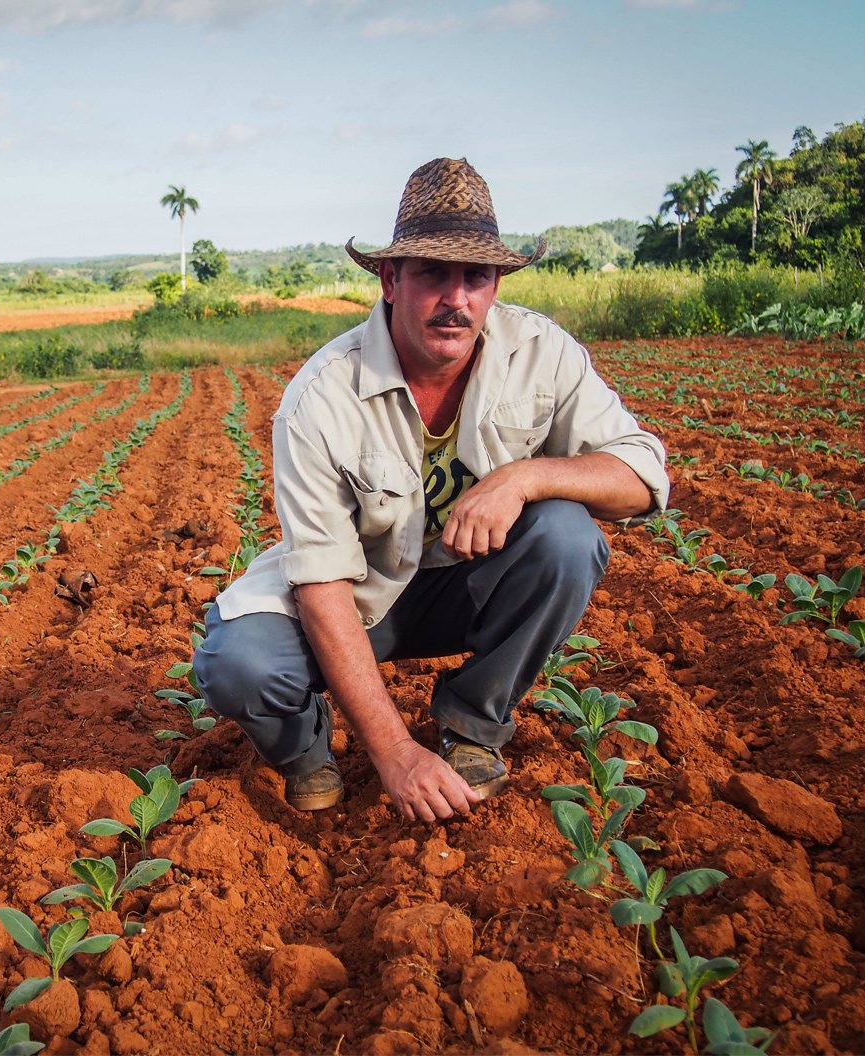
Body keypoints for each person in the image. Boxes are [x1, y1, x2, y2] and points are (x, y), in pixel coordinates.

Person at [192, 157, 669, 822]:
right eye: (432, 274)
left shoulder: (539, 352)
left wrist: (525, 477)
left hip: (463, 586)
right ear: (390, 279)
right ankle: (305, 750)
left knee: (566, 534)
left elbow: (643, 474)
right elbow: (323, 587)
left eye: (476, 276)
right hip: (358, 595)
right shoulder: (322, 396)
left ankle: (474, 722)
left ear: (496, 283)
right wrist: (394, 753)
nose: (457, 298)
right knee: (239, 662)